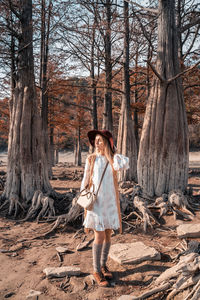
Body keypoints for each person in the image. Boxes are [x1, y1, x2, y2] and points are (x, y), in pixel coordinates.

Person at [80, 130, 129, 287]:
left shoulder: (113, 160)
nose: (97, 143)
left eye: (101, 140)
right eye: (96, 140)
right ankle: (96, 270)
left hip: (109, 203)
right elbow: (85, 180)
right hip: (97, 204)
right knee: (99, 236)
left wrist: (112, 153)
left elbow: (124, 166)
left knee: (108, 235)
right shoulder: (91, 159)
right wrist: (83, 198)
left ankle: (103, 265)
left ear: (108, 142)